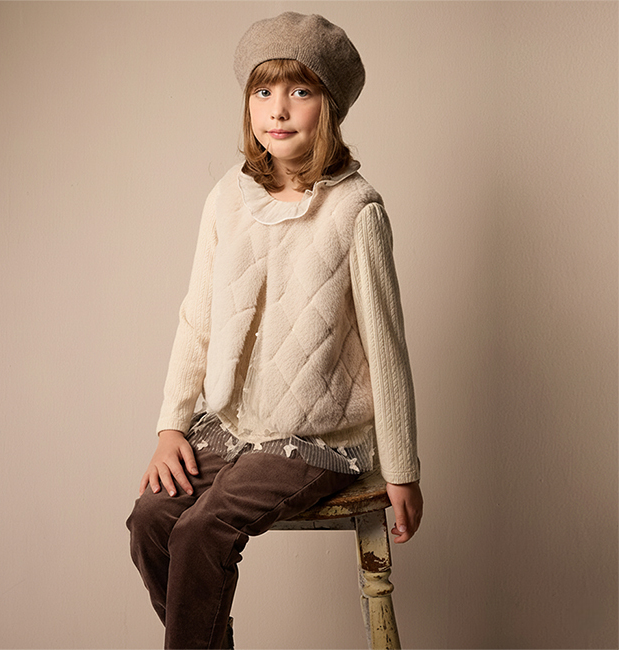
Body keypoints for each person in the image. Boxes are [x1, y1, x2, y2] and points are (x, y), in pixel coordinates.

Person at [127, 12, 423, 649]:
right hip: (234, 423)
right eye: (263, 91)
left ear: (330, 106)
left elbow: (387, 349)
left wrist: (402, 470)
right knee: (151, 519)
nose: (278, 109)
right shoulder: (226, 199)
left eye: (300, 91)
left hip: (319, 439)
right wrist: (171, 426)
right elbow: (197, 317)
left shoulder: (356, 210)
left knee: (202, 530)